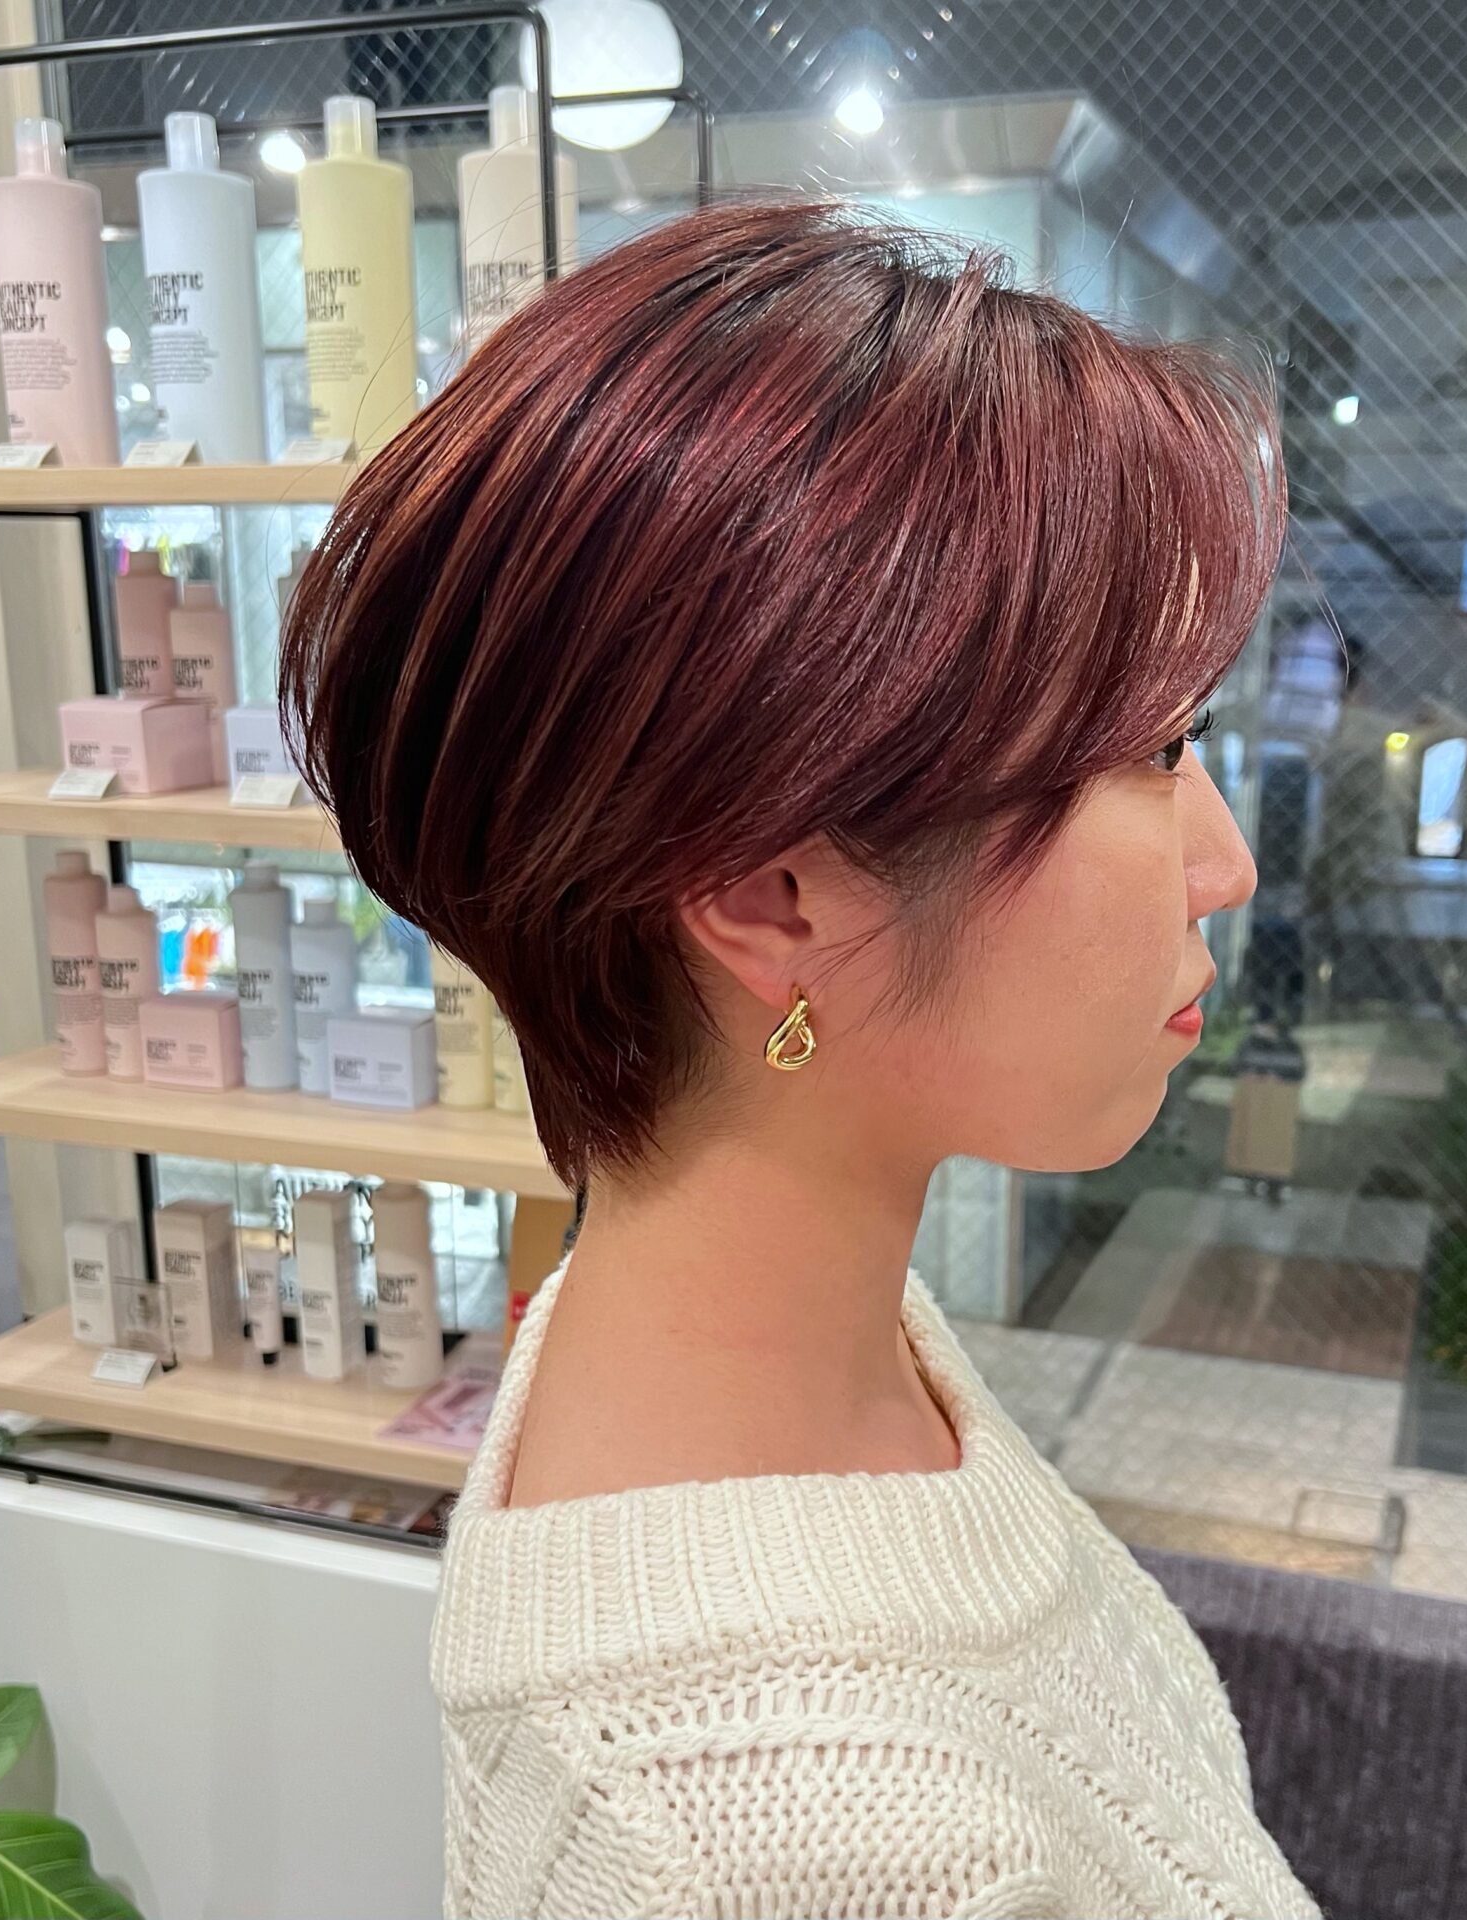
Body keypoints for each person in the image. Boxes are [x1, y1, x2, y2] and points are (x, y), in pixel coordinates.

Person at [282, 198, 1315, 1919]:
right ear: (773, 894)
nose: (1225, 862)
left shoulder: (775, 1329)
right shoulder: (781, 1845)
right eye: (1154, 751)